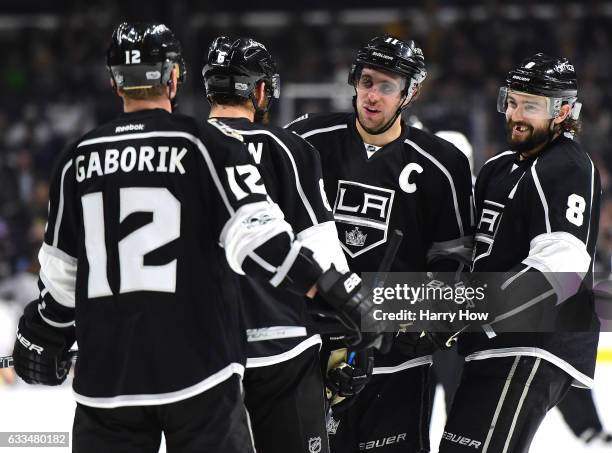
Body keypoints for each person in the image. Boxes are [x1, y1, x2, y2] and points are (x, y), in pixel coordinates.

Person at [10, 22, 382, 453]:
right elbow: (260, 240)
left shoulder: (77, 158)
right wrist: (340, 294)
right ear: (174, 77)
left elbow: (62, 277)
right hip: (207, 366)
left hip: (110, 372)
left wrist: (42, 338)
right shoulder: (203, 146)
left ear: (115, 83)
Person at [287, 35, 474, 453]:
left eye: (387, 86)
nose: (372, 96)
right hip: (312, 351)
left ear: (410, 92)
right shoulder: (305, 139)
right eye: (367, 81)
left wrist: (422, 322)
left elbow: (453, 261)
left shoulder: (443, 165)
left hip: (397, 362)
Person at [438, 53, 601, 453]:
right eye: (512, 102)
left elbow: (564, 263)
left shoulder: (567, 164)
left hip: (533, 341)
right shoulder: (497, 168)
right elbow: (473, 248)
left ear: (563, 111)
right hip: (493, 342)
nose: (516, 114)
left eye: (531, 105)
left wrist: (479, 306)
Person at [202, 36, 349, 453]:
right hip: (284, 347)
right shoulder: (288, 148)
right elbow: (322, 252)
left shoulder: (182, 149)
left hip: (205, 353)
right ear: (262, 90)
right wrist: (343, 342)